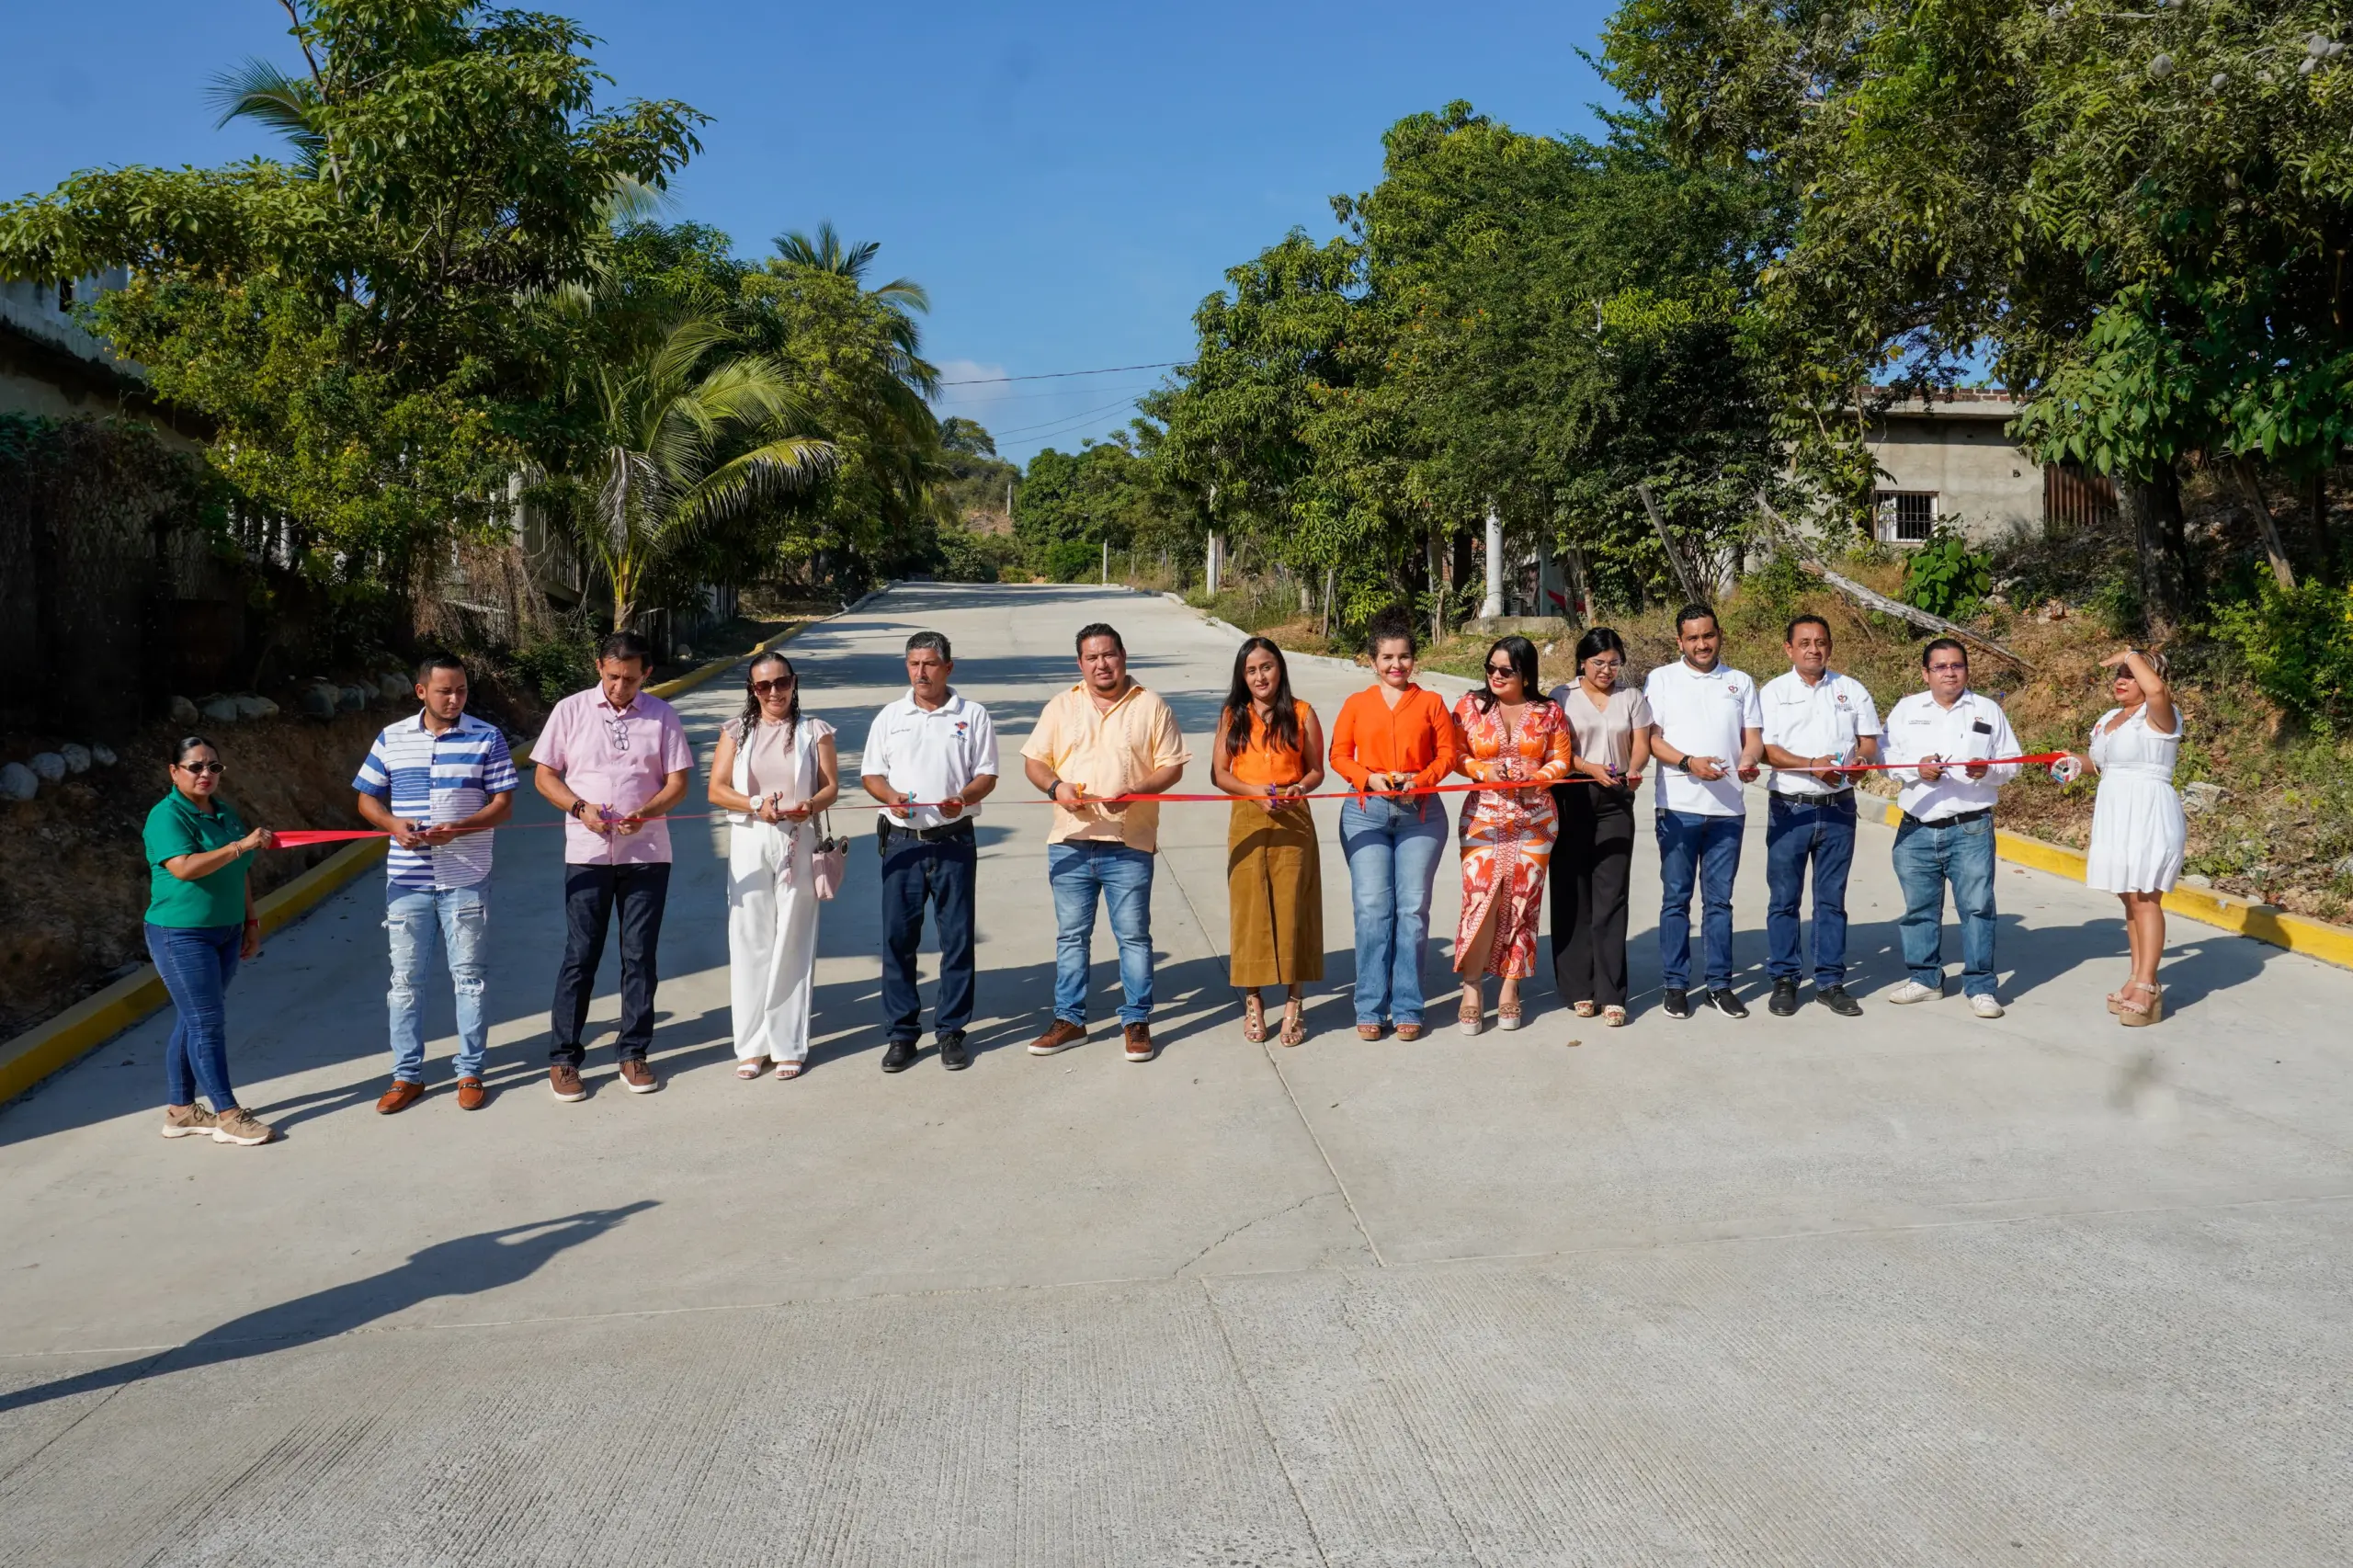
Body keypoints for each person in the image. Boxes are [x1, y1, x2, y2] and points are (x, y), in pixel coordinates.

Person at [532, 631, 696, 1099]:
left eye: (630, 679)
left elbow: (678, 782)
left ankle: (633, 1052)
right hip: (586, 855)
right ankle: (564, 1058)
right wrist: (579, 807)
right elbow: (545, 775)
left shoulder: (662, 715)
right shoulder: (571, 710)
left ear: (647, 673)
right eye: (612, 677)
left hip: (646, 855)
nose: (620, 688)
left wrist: (647, 811)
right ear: (598, 666)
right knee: (580, 955)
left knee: (639, 955)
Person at [353, 654, 519, 1114]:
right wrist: (393, 824)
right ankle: (406, 1076)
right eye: (445, 690)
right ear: (421, 691)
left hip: (466, 876)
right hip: (407, 881)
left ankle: (470, 1071)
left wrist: (460, 827)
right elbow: (367, 798)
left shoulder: (487, 737)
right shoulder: (392, 738)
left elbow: (504, 804)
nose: (454, 699)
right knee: (404, 981)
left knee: (469, 979)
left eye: (462, 690)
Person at [1019, 623, 1191, 1062]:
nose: (1102, 664)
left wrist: (1136, 791)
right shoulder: (1062, 706)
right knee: (1071, 938)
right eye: (1092, 657)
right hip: (1070, 841)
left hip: (1128, 843)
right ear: (1080, 663)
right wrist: (1056, 786)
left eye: (1108, 654)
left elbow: (1172, 766)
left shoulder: (1151, 705)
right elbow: (1035, 762)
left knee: (1133, 937)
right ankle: (1070, 1021)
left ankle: (1135, 1021)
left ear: (1123, 655)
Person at [861, 631, 998, 1072]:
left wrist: (963, 796)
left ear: (948, 668)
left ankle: (951, 1031)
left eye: (930, 664)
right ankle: (902, 1034)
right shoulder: (890, 716)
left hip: (954, 839)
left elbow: (987, 775)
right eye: (914, 664)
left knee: (957, 940)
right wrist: (890, 796)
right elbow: (871, 774)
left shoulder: (972, 715)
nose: (921, 672)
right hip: (902, 843)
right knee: (898, 941)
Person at [1328, 609, 1459, 1040]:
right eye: (1386, 658)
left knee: (1412, 911)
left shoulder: (1431, 703)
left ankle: (1407, 1005)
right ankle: (1369, 1005)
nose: (1395, 666)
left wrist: (1418, 780)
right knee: (1372, 909)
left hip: (1420, 816)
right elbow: (1339, 755)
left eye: (1403, 657)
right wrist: (1369, 778)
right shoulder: (1356, 704)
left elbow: (1448, 755)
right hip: (1365, 813)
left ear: (1414, 660)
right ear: (1372, 661)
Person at [710, 650, 839, 1079]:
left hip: (797, 837)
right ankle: (751, 1046)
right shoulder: (736, 731)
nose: (773, 692)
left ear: (793, 682)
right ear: (752, 690)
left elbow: (831, 787)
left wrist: (809, 805)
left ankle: (788, 1044)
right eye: (763, 685)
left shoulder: (813, 730)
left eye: (780, 683)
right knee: (749, 939)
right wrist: (753, 804)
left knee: (793, 938)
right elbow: (716, 789)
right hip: (750, 836)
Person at [144, 735, 278, 1146]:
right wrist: (240, 846)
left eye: (214, 767)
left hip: (226, 930)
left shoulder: (224, 813)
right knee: (206, 1022)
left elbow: (240, 873)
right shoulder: (166, 816)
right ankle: (227, 1114)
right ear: (174, 771)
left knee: (193, 1020)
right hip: (181, 934)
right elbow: (183, 868)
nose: (206, 774)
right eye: (195, 767)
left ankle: (181, 1111)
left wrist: (251, 920)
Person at [1881, 638, 2023, 1017]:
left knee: (1977, 908)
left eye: (1956, 666)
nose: (1949, 673)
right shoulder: (1907, 710)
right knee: (1919, 909)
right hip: (1916, 827)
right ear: (1925, 672)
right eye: (1941, 667)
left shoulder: (1987, 709)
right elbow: (1884, 758)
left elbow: (2014, 763)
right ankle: (1925, 979)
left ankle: (1980, 986)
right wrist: (1917, 767)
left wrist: (1988, 770)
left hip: (1971, 828)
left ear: (1966, 670)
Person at [1643, 604, 1764, 1020]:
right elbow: (1651, 741)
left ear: (1719, 635)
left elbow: (1753, 739)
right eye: (1692, 638)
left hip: (1728, 811)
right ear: (1680, 641)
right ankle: (1676, 985)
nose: (1701, 644)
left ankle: (1719, 985)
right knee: (1676, 899)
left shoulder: (1740, 682)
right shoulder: (1661, 680)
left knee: (1720, 902)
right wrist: (1687, 762)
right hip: (1678, 808)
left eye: (1707, 636)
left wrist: (1748, 761)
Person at [1757, 615, 1882, 1017]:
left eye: (1821, 642)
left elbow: (1869, 743)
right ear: (1788, 649)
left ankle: (1830, 981)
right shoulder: (1774, 692)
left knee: (1831, 901)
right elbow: (1766, 751)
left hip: (1839, 810)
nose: (1814, 649)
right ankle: (1785, 979)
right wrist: (1811, 765)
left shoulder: (1851, 690)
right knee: (1783, 900)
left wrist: (1860, 761)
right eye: (1805, 642)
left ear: (1830, 646)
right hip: (1789, 808)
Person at [1450, 635, 1574, 1034]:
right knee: (1480, 898)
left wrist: (1536, 779)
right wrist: (1484, 771)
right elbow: (1453, 754)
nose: (1496, 676)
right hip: (1483, 815)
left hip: (1536, 818)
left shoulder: (1547, 711)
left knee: (1523, 901)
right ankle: (1471, 988)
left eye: (1506, 670)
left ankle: (1510, 986)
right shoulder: (1469, 707)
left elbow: (1563, 759)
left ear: (1525, 672)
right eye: (1490, 668)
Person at [2056, 649, 2184, 1027]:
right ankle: (2135, 977)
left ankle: (2148, 985)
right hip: (2114, 810)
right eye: (2119, 674)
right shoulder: (2110, 719)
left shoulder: (2161, 715)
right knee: (2129, 897)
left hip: (2148, 809)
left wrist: (2131, 652)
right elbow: (2103, 763)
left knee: (2146, 897)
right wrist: (2074, 761)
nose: (2121, 679)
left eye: (2130, 674)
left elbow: (2158, 691)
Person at [1210, 637, 1324, 1047]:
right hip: (1247, 817)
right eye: (1251, 670)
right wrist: (1253, 792)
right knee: (1250, 912)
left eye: (1268, 667)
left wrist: (1298, 788)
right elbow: (1220, 773)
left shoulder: (1302, 713)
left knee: (1294, 909)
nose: (1261, 676)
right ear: (1243, 676)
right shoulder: (1232, 716)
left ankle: (1294, 1004)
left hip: (1293, 818)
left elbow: (1316, 771)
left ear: (1281, 669)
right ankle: (1254, 1001)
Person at [1547, 628, 1651, 1028]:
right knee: (1573, 893)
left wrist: (1635, 769)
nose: (1606, 670)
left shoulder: (1632, 697)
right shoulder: (1562, 696)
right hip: (1572, 795)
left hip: (1616, 799)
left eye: (1613, 662)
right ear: (1581, 663)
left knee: (1611, 895)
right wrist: (1586, 766)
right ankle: (1578, 988)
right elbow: (1555, 748)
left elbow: (1640, 742)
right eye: (1598, 663)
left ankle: (1611, 992)